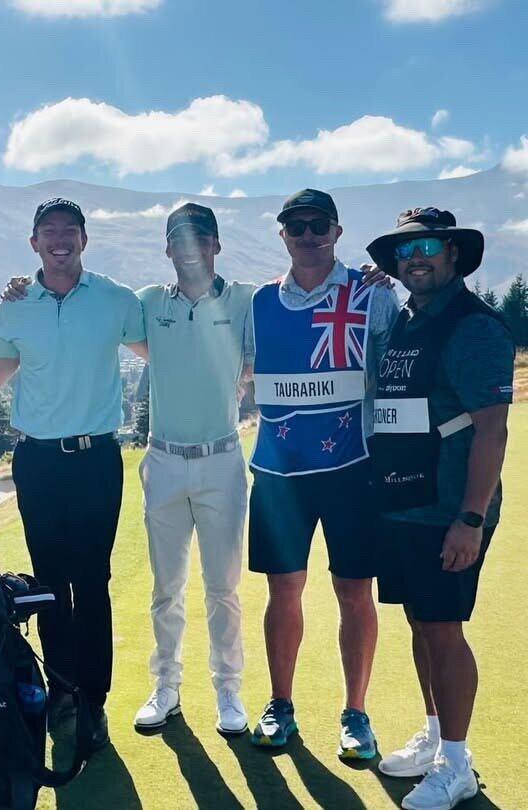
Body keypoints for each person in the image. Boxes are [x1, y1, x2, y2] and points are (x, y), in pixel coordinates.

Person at [365, 209, 512, 810]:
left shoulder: (472, 326)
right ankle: (434, 736)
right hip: (404, 500)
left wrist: (471, 518)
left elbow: (492, 431)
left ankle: (457, 763)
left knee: (444, 631)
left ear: (452, 253)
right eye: (404, 250)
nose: (413, 258)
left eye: (426, 246)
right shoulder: (406, 317)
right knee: (421, 623)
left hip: (449, 509)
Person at [0, 197, 145, 750]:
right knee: (51, 584)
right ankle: (61, 692)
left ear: (84, 238)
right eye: (49, 232)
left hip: (97, 459)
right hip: (37, 462)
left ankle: (93, 700)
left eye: (69, 231)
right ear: (34, 242)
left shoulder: (115, 300)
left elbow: (164, 352)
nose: (60, 240)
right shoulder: (14, 306)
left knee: (93, 580)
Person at [247, 189, 400, 760]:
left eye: (318, 226)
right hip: (278, 470)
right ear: (282, 235)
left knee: (353, 592)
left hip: (352, 467)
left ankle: (356, 713)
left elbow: (397, 371)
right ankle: (280, 705)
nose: (308, 236)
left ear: (337, 232)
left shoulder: (372, 294)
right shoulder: (259, 302)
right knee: (283, 589)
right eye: (296, 227)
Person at [130, 204, 253, 735]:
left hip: (222, 460)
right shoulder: (148, 303)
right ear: (167, 250)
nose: (188, 249)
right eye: (177, 240)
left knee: (223, 588)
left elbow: (303, 289)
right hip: (163, 460)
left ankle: (228, 691)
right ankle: (167, 688)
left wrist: (369, 277)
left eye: (198, 239)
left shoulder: (247, 299)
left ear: (215, 246)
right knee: (166, 588)